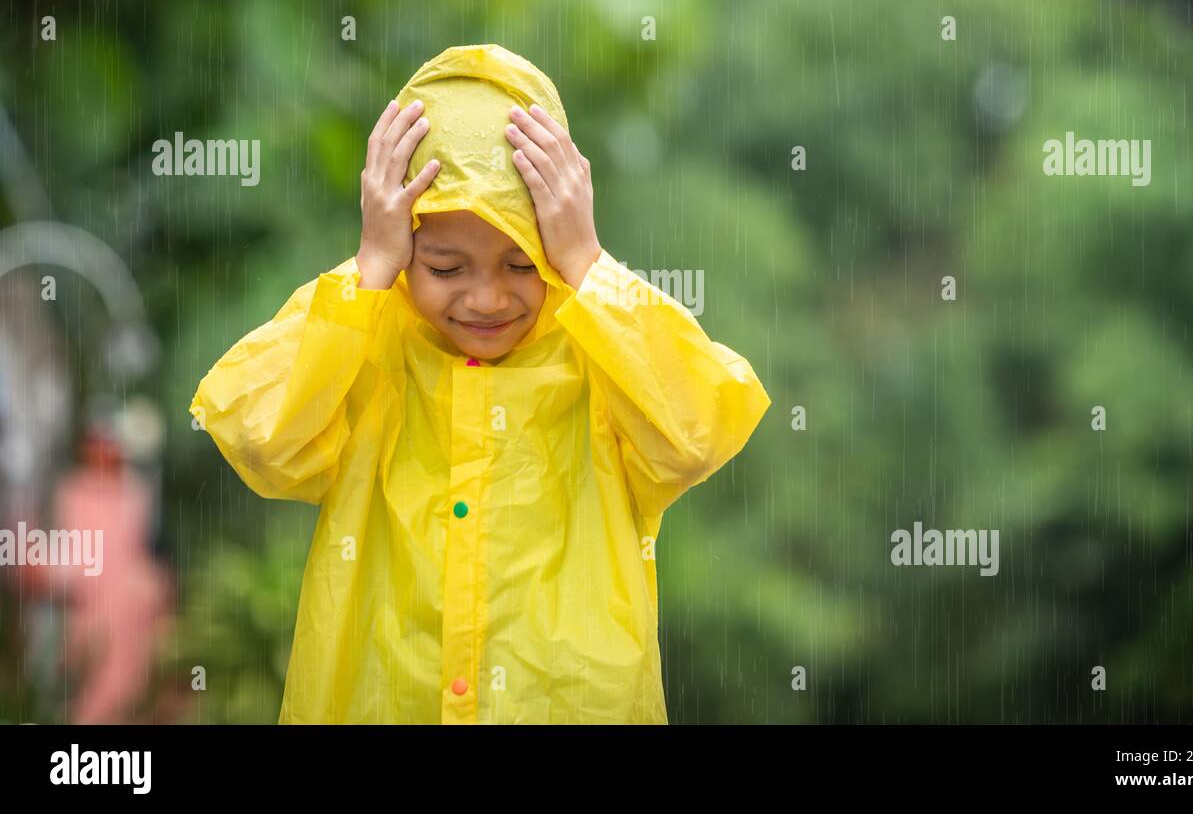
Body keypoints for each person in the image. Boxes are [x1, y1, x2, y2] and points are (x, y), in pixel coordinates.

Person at [189, 43, 771, 723]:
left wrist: (587, 260)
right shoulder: (364, 347)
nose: (488, 299)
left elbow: (697, 434)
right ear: (404, 247)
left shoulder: (604, 358)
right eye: (445, 267)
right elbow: (264, 441)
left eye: (521, 265)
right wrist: (370, 264)